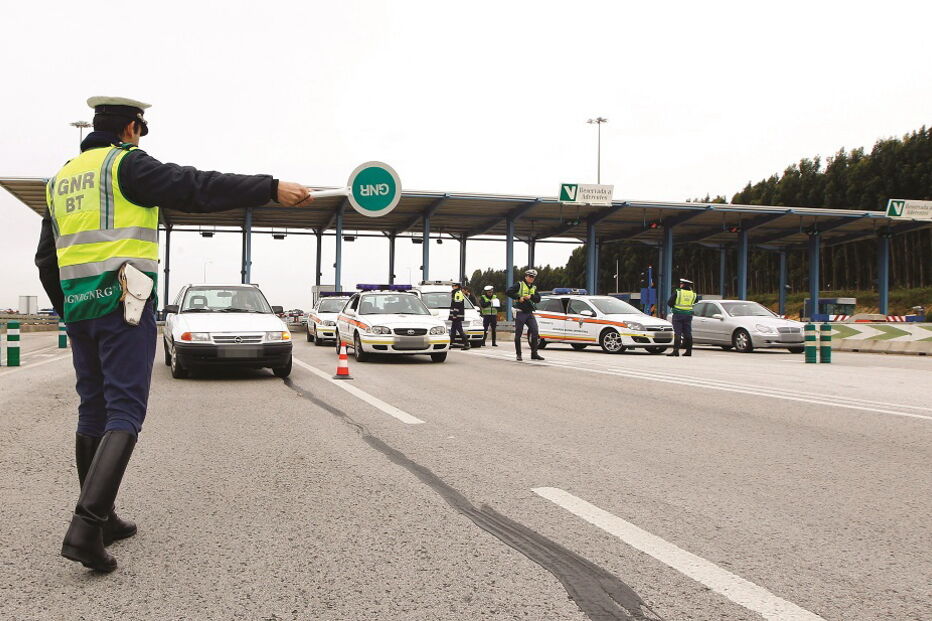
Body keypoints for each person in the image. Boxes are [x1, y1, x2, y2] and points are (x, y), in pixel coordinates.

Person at [36, 96, 314, 573]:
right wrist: (269, 187)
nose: (141, 139)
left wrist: (70, 312)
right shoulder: (123, 164)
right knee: (125, 410)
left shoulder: (60, 179)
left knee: (93, 409)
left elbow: (46, 258)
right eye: (141, 131)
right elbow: (194, 186)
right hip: (125, 301)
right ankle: (85, 529)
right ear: (130, 127)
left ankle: (102, 520)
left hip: (80, 305)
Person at [506, 269, 544, 361]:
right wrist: (519, 298)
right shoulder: (519, 284)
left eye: (533, 277)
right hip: (520, 312)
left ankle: (534, 353)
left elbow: (538, 299)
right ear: (526, 276)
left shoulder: (533, 287)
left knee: (535, 331)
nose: (531, 278)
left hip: (529, 313)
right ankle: (519, 354)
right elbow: (508, 292)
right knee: (518, 333)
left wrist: (531, 296)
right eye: (530, 276)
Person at [667, 277, 697, 357]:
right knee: (688, 333)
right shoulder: (693, 294)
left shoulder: (678, 292)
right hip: (688, 315)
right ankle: (689, 351)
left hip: (678, 315)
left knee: (678, 333)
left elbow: (669, 302)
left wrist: (675, 307)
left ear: (683, 285)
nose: (680, 285)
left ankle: (676, 351)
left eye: (681, 284)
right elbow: (694, 302)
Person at [448, 282, 470, 349]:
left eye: (453, 286)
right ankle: (450, 343)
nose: (452, 287)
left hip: (457, 316)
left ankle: (466, 344)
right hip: (456, 315)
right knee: (453, 330)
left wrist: (454, 314)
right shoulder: (455, 293)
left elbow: (457, 305)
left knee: (459, 330)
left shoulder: (457, 293)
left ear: (457, 286)